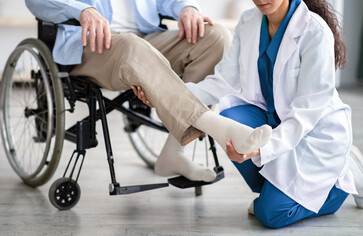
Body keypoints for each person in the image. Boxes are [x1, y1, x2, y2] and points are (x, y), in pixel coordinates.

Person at [134, 0, 363, 228]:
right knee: (231, 117)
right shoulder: (249, 21)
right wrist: (164, 95)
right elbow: (222, 83)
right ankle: (277, 191)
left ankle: (343, 178)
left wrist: (262, 149)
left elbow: (306, 113)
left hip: (312, 135)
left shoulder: (315, 32)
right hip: (271, 123)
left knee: (271, 214)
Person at [24, 0, 273, 182]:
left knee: (216, 36)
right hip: (91, 45)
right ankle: (218, 127)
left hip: (147, 40)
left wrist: (187, 9)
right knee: (133, 45)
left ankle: (173, 153)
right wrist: (81, 10)